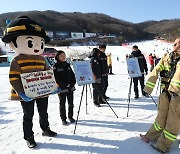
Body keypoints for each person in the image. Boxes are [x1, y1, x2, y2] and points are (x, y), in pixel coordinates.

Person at [1, 16, 57, 148]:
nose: (38, 47)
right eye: (31, 43)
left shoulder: (42, 59)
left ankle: (45, 129)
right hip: (26, 93)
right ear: (13, 44)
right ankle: (29, 137)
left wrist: (52, 86)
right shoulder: (17, 60)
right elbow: (13, 78)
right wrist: (21, 92)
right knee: (28, 115)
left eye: (41, 43)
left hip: (42, 92)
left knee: (43, 112)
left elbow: (48, 74)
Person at [140, 38, 180, 153]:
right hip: (165, 93)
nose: (174, 44)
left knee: (173, 121)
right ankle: (150, 136)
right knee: (161, 116)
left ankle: (163, 145)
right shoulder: (168, 56)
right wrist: (148, 88)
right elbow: (156, 70)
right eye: (174, 43)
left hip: (177, 96)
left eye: (177, 43)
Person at [53, 50, 76, 125]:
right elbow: (56, 78)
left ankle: (70, 116)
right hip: (61, 88)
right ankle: (63, 119)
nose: (63, 57)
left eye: (64, 55)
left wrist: (73, 83)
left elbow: (72, 75)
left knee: (71, 103)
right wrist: (65, 85)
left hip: (70, 87)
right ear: (57, 57)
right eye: (61, 56)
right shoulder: (55, 67)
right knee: (62, 104)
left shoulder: (68, 65)